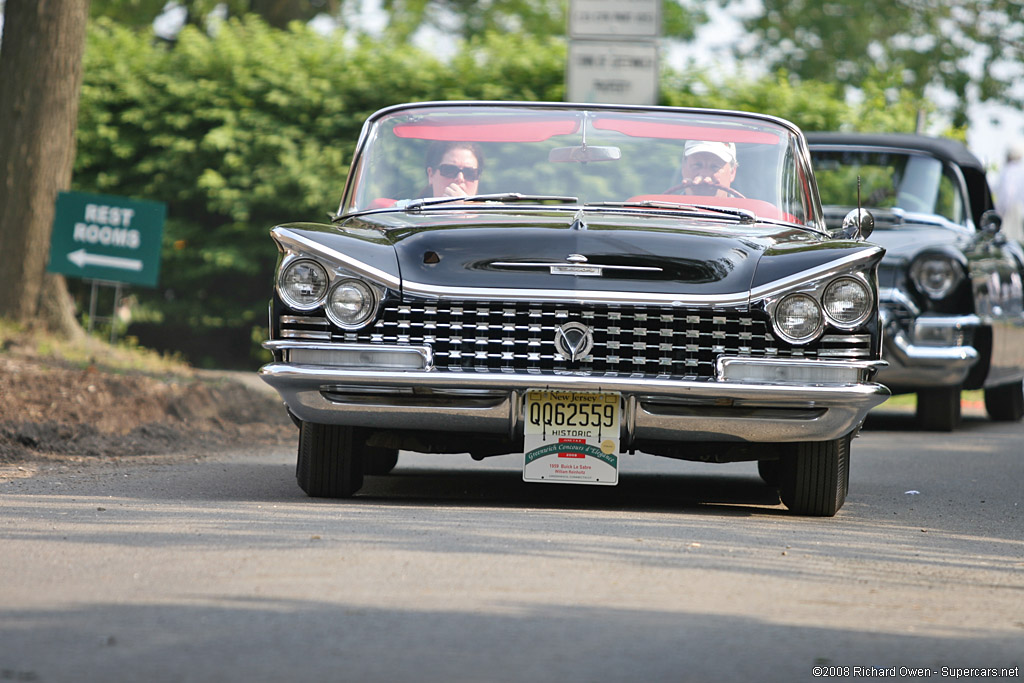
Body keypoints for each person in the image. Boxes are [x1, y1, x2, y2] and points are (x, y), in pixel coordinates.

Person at [669, 140, 741, 197]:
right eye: (697, 165)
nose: (705, 176)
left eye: (714, 167)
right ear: (683, 168)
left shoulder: (747, 213)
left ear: (732, 172)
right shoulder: (665, 212)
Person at [995, 142, 1024, 243]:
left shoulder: (1008, 171)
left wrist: (999, 213)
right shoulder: (1020, 171)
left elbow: (1007, 194)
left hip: (1010, 210)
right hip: (1018, 211)